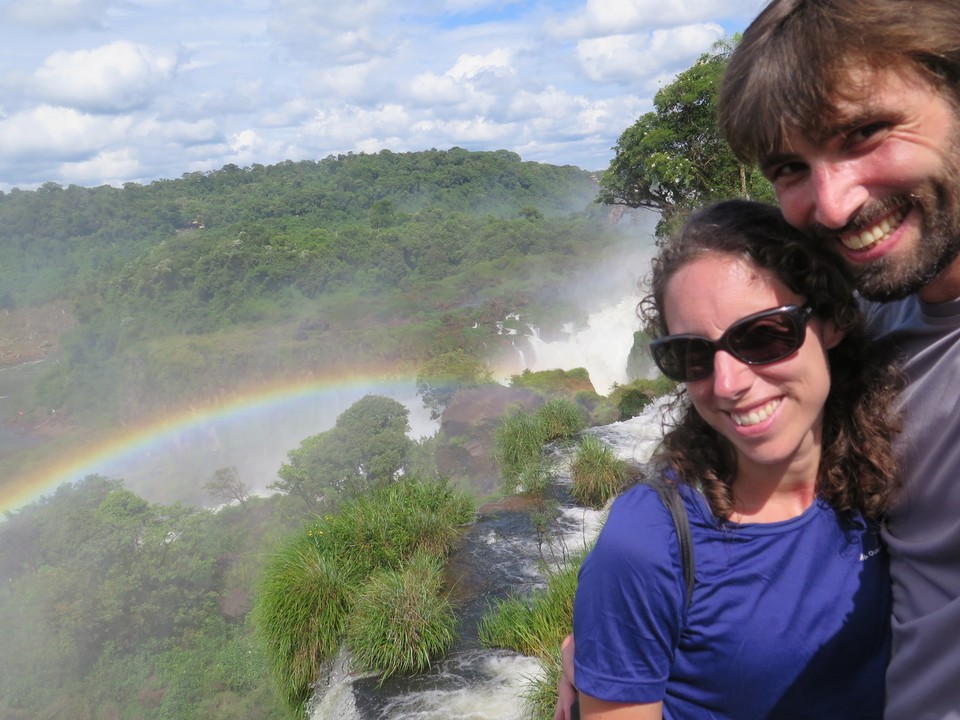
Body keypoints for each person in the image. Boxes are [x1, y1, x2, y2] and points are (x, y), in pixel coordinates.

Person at [559, 1, 960, 718]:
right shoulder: (875, 299)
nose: (833, 206)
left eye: (865, 131)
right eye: (790, 167)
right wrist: (613, 639)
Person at [569, 199, 901, 719]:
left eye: (764, 335)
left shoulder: (888, 466)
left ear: (832, 320)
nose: (727, 384)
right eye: (693, 355)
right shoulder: (646, 545)